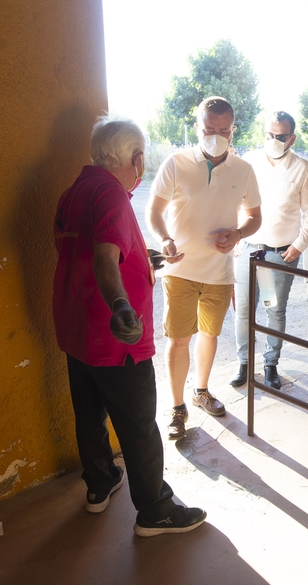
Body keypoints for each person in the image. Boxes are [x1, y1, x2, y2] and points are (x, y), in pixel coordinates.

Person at [51, 116, 206, 536]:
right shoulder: (113, 195)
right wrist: (121, 304)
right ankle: (155, 509)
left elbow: (78, 250)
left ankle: (100, 485)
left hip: (77, 331)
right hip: (114, 336)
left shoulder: (73, 193)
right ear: (137, 159)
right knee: (138, 424)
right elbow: (103, 257)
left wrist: (141, 258)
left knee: (89, 414)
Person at [148, 97, 262, 440]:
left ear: (233, 129)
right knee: (179, 340)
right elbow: (154, 211)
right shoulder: (177, 163)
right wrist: (165, 238)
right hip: (180, 271)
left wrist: (239, 233)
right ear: (198, 126)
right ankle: (178, 407)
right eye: (209, 129)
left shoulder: (243, 170)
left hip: (219, 273)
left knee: (209, 336)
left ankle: (201, 391)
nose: (216, 136)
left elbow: (255, 216)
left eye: (223, 130)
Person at [230, 111, 308, 389]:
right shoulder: (250, 164)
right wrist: (235, 239)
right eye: (270, 135)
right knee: (244, 310)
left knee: (273, 310)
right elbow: (234, 202)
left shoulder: (301, 169)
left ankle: (271, 364)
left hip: (277, 255)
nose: (274, 140)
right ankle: (244, 363)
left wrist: (299, 245)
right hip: (249, 250)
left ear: (292, 138)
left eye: (280, 136)